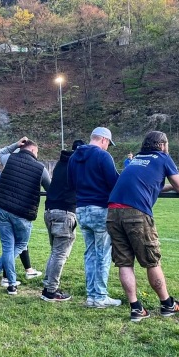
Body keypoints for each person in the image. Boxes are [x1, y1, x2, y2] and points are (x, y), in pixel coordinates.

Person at [107, 131, 179, 322]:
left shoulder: (136, 159)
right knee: (152, 260)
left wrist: (163, 188)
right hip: (136, 213)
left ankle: (136, 309)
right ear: (162, 145)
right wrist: (174, 187)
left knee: (124, 262)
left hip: (112, 211)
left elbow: (143, 184)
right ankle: (167, 304)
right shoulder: (163, 157)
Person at [0, 138, 50, 295]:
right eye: (37, 152)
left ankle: (11, 284)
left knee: (7, 246)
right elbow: (50, 189)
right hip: (22, 212)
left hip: (1, 207)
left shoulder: (10, 158)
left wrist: (15, 145)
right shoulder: (40, 168)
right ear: (33, 150)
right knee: (21, 244)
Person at [68, 127, 121, 308]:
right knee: (103, 254)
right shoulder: (103, 156)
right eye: (108, 144)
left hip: (81, 209)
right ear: (104, 140)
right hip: (100, 208)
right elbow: (114, 182)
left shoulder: (74, 157)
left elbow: (71, 183)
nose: (108, 148)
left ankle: (91, 295)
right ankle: (100, 296)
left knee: (90, 253)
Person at [40, 139, 86, 302]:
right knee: (60, 254)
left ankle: (48, 286)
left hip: (49, 211)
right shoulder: (77, 165)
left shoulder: (61, 163)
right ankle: (50, 291)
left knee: (55, 252)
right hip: (65, 212)